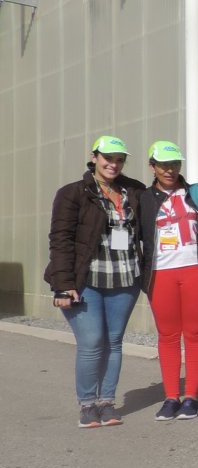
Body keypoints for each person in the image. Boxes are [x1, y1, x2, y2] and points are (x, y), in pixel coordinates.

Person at [45, 136, 145, 428]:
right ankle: (88, 404)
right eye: (108, 158)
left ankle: (107, 403)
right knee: (91, 342)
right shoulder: (73, 193)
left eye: (119, 159)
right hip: (85, 280)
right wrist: (63, 284)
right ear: (95, 157)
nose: (113, 164)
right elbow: (60, 240)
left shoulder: (134, 190)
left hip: (125, 278)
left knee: (114, 342)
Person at [138, 141, 198, 421]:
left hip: (196, 272)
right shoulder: (143, 198)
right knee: (167, 335)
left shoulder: (197, 192)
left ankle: (191, 397)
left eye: (175, 164)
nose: (170, 170)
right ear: (152, 166)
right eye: (163, 165)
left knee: (195, 333)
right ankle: (170, 396)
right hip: (160, 273)